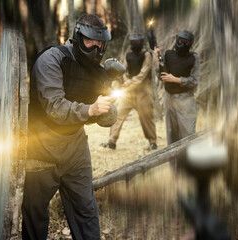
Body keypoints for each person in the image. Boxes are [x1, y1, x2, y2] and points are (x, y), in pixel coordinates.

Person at [22, 14, 118, 240]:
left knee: (86, 211)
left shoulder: (97, 70)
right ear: (78, 37)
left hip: (75, 150)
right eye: (90, 41)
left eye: (100, 43)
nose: (96, 47)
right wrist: (90, 111)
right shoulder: (51, 60)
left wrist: (107, 107)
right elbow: (54, 107)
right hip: (41, 150)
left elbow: (108, 118)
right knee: (35, 216)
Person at [101, 34, 157, 150]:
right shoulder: (128, 55)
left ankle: (153, 142)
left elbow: (142, 75)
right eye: (133, 42)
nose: (135, 44)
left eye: (137, 42)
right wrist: (121, 80)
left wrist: (129, 82)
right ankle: (112, 141)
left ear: (141, 42)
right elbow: (123, 69)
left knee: (146, 116)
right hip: (129, 92)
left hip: (144, 90)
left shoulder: (147, 55)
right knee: (119, 113)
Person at [155, 30, 201, 145]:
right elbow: (160, 75)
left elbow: (195, 81)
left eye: (186, 42)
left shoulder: (194, 58)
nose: (183, 44)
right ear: (177, 40)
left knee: (188, 134)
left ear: (190, 43)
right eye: (181, 41)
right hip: (169, 98)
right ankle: (175, 163)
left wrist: (175, 79)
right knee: (172, 134)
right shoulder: (169, 54)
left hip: (185, 100)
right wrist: (157, 57)